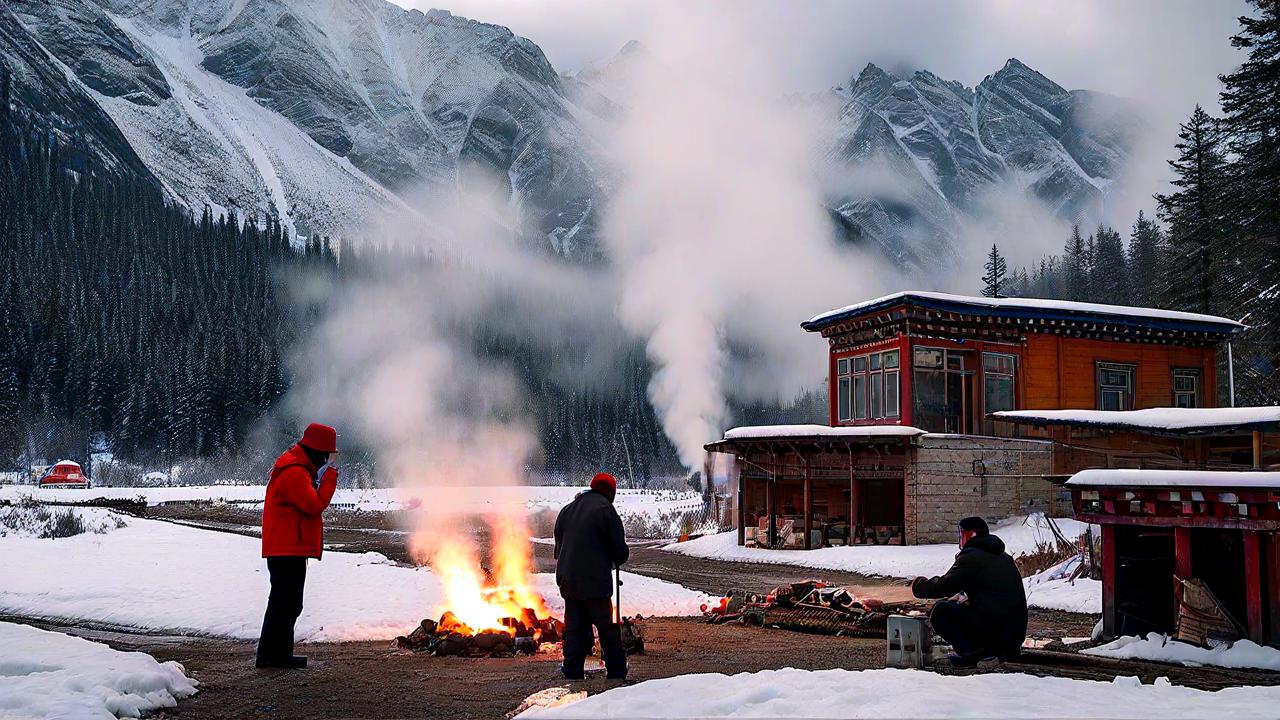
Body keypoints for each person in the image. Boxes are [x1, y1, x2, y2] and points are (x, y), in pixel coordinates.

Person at [256, 423, 339, 669]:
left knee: (288, 602)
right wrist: (330, 480)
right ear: (317, 452)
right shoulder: (294, 472)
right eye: (326, 456)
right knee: (286, 602)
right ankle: (273, 656)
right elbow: (313, 505)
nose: (327, 461)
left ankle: (276, 654)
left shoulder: (297, 467)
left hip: (288, 546)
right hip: (286, 548)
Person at [911, 516, 1028, 667]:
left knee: (941, 611)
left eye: (961, 534)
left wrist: (919, 586)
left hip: (997, 630)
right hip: (1013, 634)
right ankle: (990, 650)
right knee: (959, 608)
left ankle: (975, 654)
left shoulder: (972, 557)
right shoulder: (1003, 557)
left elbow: (945, 586)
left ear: (969, 535)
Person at [554, 472, 630, 680]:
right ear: (610, 492)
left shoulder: (567, 510)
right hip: (595, 582)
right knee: (606, 628)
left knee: (575, 628)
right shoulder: (606, 510)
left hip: (568, 581)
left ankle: (572, 671)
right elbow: (619, 551)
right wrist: (619, 555)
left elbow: (558, 549)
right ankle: (616, 671)